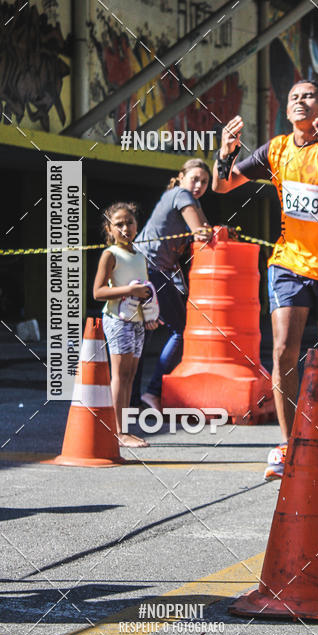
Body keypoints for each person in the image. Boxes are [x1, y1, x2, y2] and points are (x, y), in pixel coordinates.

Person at [213, 79, 318, 480]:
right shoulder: (277, 149)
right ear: (286, 112)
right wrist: (224, 152)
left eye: (309, 97)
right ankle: (289, 445)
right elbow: (222, 184)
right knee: (284, 350)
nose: (300, 102)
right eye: (293, 97)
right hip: (288, 262)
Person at [133, 159, 213, 411]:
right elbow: (202, 232)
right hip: (150, 269)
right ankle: (153, 392)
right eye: (194, 179)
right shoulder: (181, 194)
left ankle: (133, 399)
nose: (199, 185)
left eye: (204, 181)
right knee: (182, 329)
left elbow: (205, 229)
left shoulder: (183, 196)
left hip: (145, 268)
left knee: (140, 335)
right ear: (181, 177)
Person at [93, 202, 159, 448]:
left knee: (131, 375)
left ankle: (124, 429)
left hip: (138, 322)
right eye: (118, 224)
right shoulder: (110, 254)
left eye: (129, 222)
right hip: (118, 321)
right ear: (109, 229)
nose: (125, 228)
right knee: (119, 375)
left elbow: (145, 291)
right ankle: (117, 432)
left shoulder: (140, 256)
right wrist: (128, 290)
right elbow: (98, 292)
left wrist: (151, 314)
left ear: (136, 225)